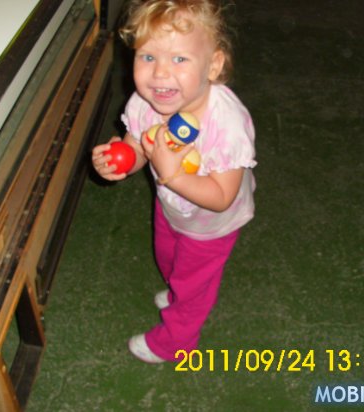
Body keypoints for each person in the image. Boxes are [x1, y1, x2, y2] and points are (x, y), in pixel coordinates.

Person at [91, 0, 256, 363]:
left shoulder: (227, 125)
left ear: (213, 65)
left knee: (194, 285)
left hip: (212, 225)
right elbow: (137, 146)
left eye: (180, 59)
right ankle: (180, 289)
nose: (160, 74)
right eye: (148, 57)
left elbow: (222, 197)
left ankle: (176, 342)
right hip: (172, 207)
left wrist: (173, 174)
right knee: (167, 256)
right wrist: (120, 159)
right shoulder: (146, 103)